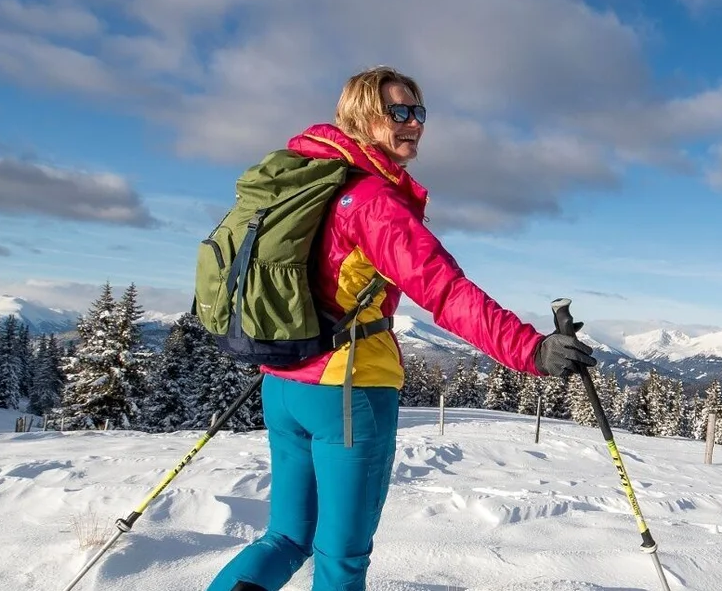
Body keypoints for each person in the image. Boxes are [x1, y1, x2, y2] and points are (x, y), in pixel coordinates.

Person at [205, 65, 598, 591]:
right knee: (342, 557)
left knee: (284, 538)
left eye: (419, 111)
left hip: (284, 382)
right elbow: (445, 291)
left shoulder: (310, 183)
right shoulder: (371, 201)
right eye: (398, 111)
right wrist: (530, 349)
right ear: (362, 117)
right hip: (348, 391)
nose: (413, 123)